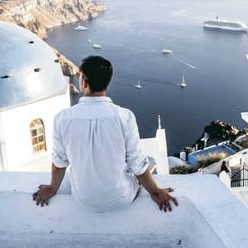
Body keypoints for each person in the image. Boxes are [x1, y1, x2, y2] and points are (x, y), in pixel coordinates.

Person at [33, 55, 178, 212]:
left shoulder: (62, 119)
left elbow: (59, 162)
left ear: (84, 82)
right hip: (121, 198)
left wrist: (53, 188)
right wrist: (155, 192)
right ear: (107, 82)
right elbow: (136, 163)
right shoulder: (125, 116)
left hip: (83, 199)